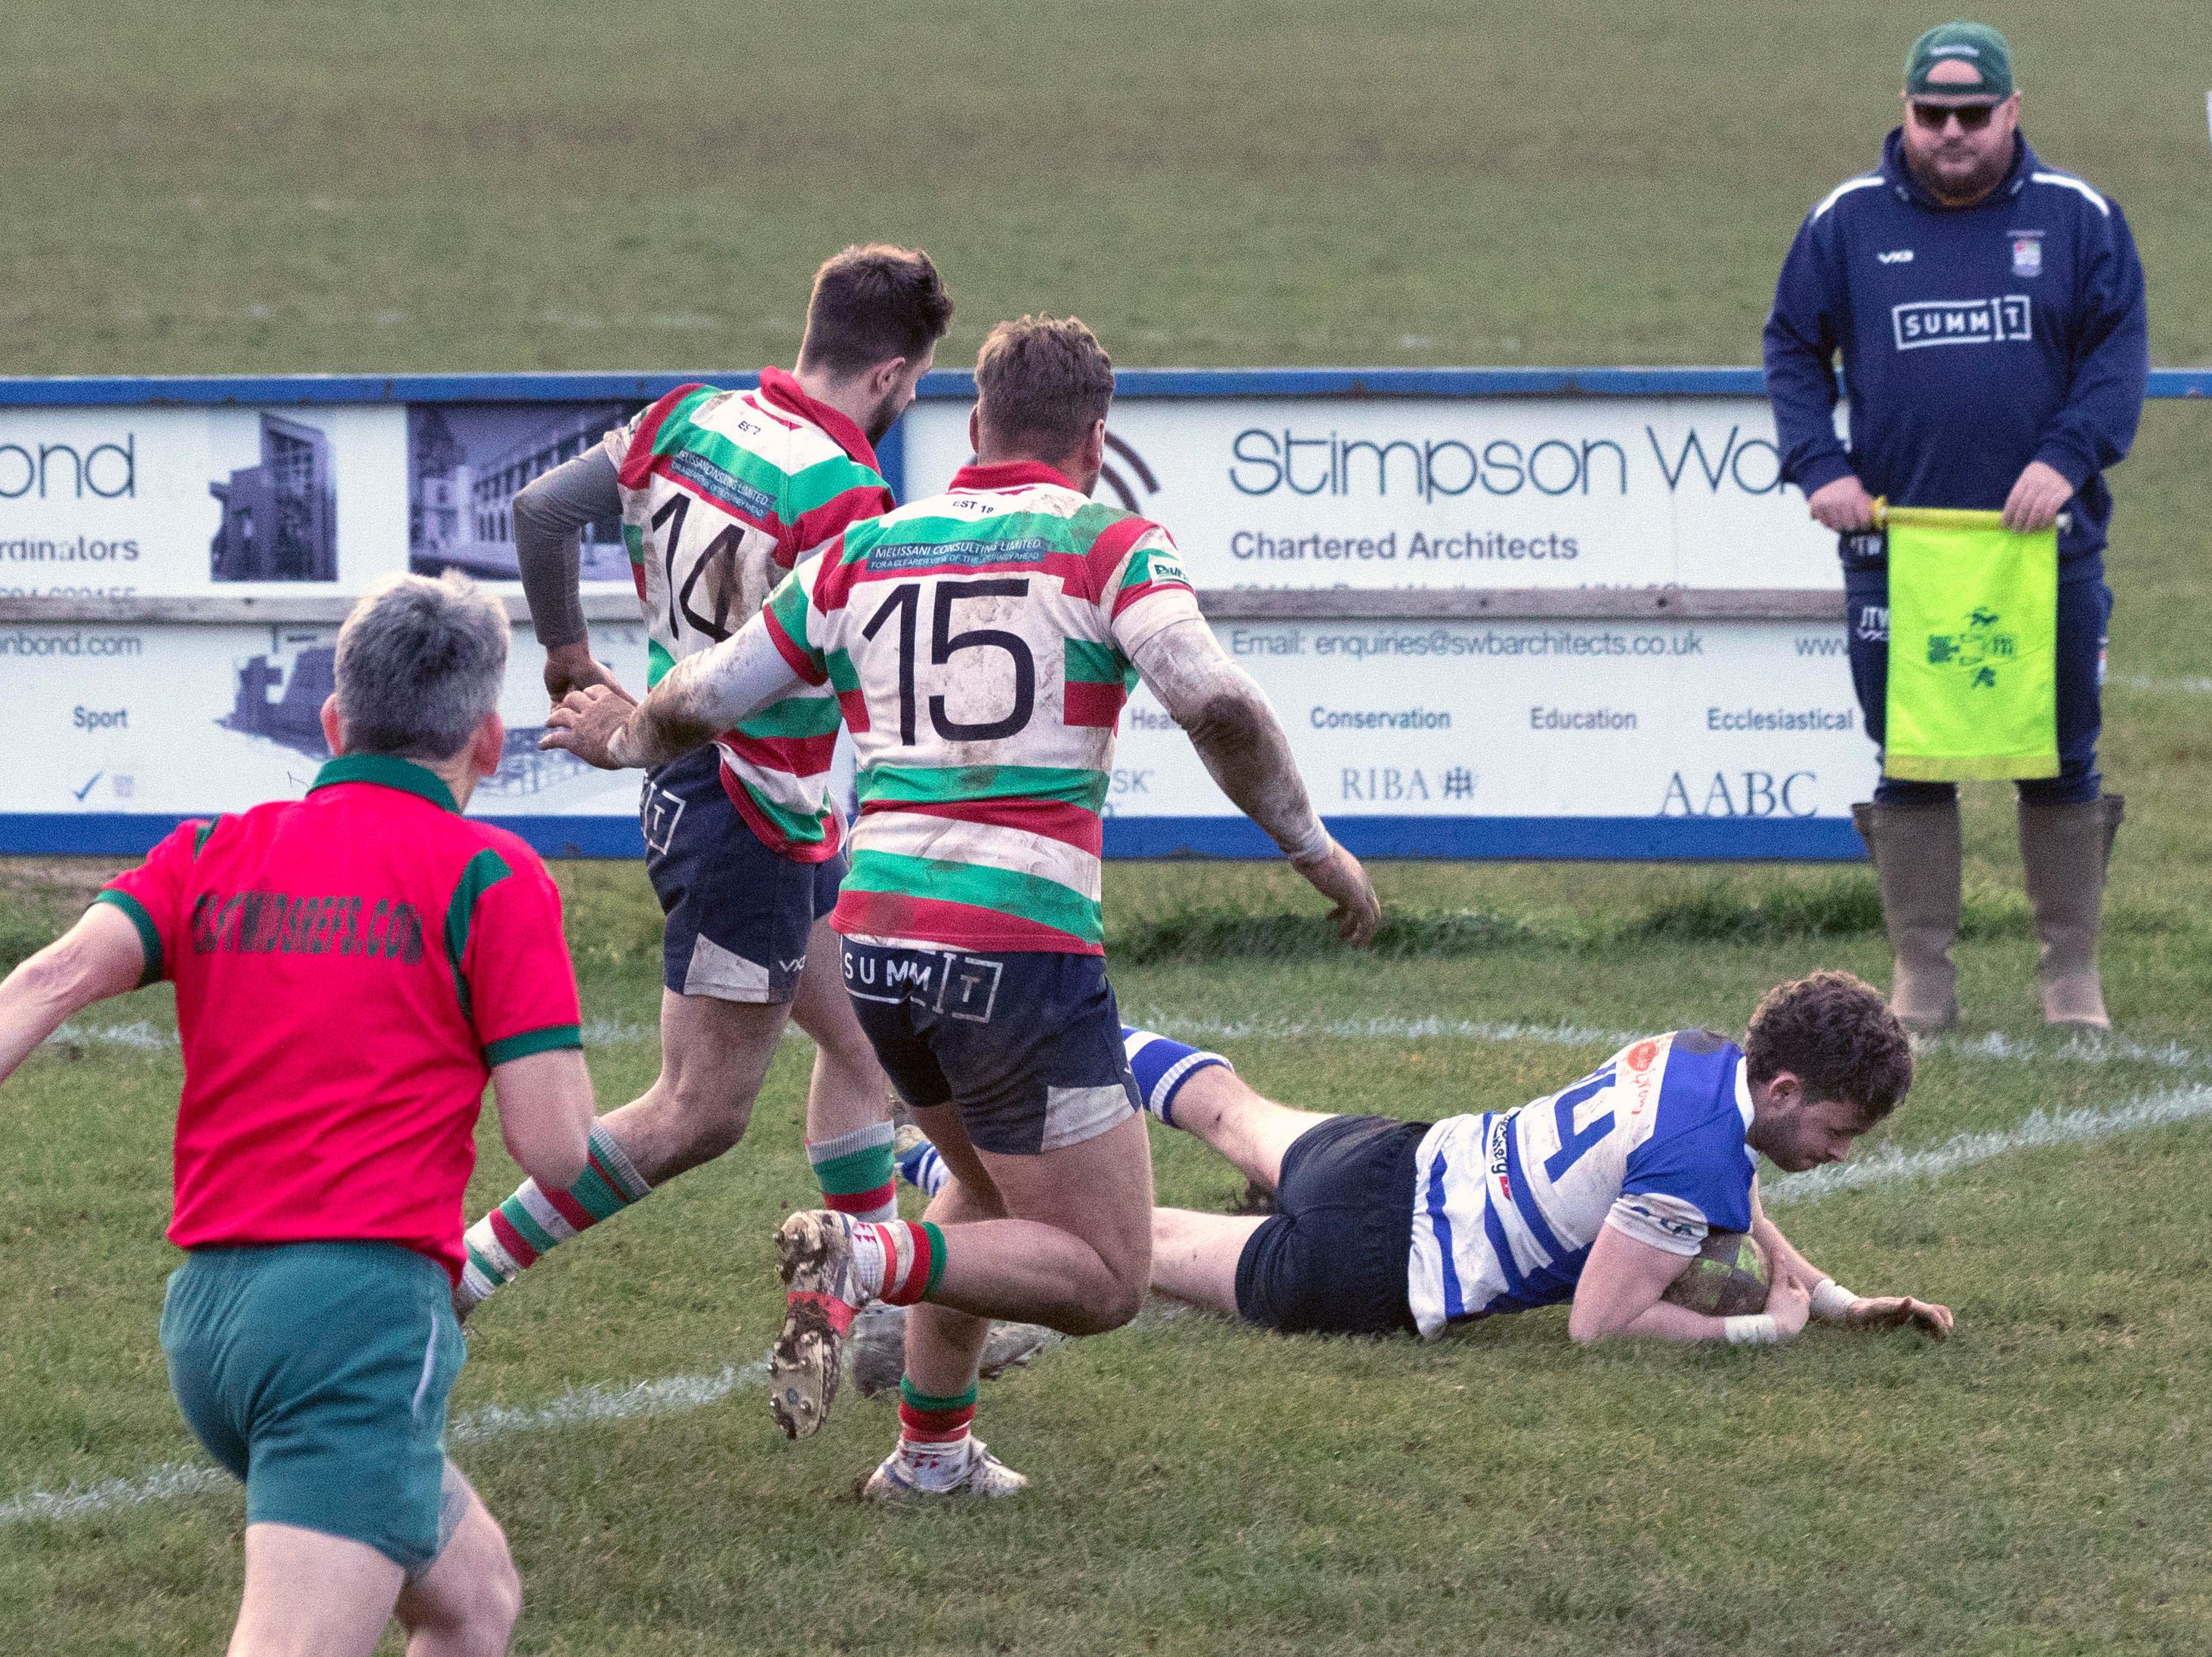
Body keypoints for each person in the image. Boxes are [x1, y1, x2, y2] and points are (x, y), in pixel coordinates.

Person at [543, 313, 1383, 1498]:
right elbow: (1219, 706)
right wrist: (1311, 845)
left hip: (877, 943)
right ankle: (865, 1254)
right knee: (1106, 1274)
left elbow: (708, 690)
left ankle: (929, 1456)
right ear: (1095, 441)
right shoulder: (1108, 543)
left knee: (983, 1191)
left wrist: (626, 735)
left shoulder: (866, 549)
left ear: (976, 424)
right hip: (1016, 951)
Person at [0, 574, 596, 1657]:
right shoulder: (492, 876)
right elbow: (555, 1151)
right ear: (488, 740)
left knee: (475, 1598)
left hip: (211, 1327)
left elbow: (44, 982)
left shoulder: (209, 850)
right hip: (354, 1329)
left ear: (333, 722)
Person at [457, 245, 954, 1321]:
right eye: (914, 382)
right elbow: (847, 672)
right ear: (887, 374)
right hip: (746, 819)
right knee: (698, 1111)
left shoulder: (689, 417)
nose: (910, 400)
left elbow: (540, 512)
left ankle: (869, 1318)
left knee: (862, 1043)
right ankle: (455, 1275)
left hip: (737, 800)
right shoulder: (845, 491)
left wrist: (564, 652)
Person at [1763, 21, 2148, 1032]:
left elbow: (2117, 356)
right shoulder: (1845, 221)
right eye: (1931, 113)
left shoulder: (2079, 217)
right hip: (1900, 547)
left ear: (2011, 112)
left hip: (2045, 547)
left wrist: (2065, 458)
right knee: (1909, 753)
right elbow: (1792, 348)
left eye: (1972, 114)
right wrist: (1820, 466)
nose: (1950, 133)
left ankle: (2070, 978)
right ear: (1905, 111)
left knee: (2059, 751)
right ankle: (1921, 980)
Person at [902, 983, 1951, 1347]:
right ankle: (918, 1194)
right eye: (1840, 1129)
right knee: (1125, 1249)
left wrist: (1834, 1299)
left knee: (1227, 1107)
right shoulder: (1697, 1165)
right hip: (1374, 1271)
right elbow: (1602, 1324)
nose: (1838, 1152)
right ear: (1783, 1090)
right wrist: (1763, 1329)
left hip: (1394, 1157)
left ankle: (1025, 1041)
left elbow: (1730, 1190)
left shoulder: (1699, 1057)